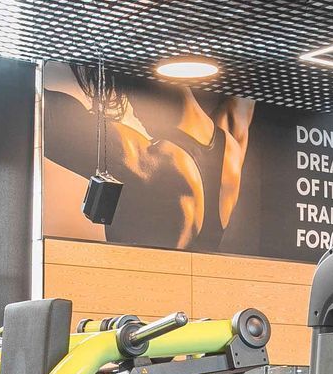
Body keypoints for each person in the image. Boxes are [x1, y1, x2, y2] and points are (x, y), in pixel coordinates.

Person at [42, 60, 255, 251]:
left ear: (139, 86)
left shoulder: (158, 160)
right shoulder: (232, 145)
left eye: (127, 94)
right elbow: (245, 98)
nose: (134, 111)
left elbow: (43, 113)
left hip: (138, 282)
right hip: (190, 280)